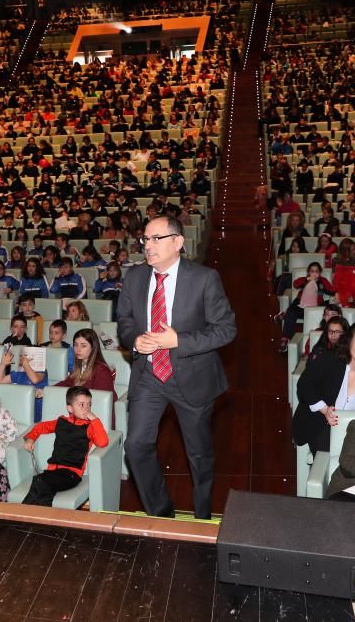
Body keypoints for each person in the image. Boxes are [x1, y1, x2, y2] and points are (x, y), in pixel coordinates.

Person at [116, 214, 237, 519]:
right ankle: (161, 512)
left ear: (178, 242)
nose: (148, 245)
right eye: (145, 239)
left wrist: (178, 341)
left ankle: (202, 514)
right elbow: (125, 323)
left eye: (156, 238)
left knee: (199, 455)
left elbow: (226, 329)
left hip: (192, 376)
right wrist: (135, 341)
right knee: (136, 445)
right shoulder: (134, 278)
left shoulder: (203, 278)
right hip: (148, 375)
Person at [294, 323, 355, 454]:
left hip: (353, 428)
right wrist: (324, 410)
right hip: (320, 422)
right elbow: (304, 386)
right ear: (349, 343)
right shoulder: (329, 360)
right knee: (332, 454)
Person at [21, 385, 108, 506]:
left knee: (40, 481)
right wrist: (30, 439)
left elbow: (103, 442)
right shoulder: (61, 422)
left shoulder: (89, 427)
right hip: (53, 471)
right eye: (81, 405)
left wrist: (95, 419)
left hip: (72, 474)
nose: (86, 408)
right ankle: (37, 521)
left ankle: (19, 518)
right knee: (43, 488)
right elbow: (41, 427)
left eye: (89, 404)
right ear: (70, 408)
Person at [54, 328, 117, 403]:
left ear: (93, 347)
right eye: (76, 345)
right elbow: (67, 383)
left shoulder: (102, 371)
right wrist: (47, 390)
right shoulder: (79, 367)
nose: (78, 349)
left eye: (83, 346)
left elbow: (102, 402)